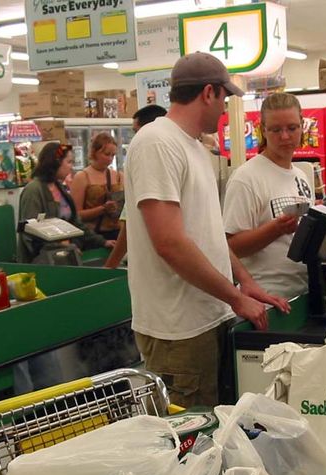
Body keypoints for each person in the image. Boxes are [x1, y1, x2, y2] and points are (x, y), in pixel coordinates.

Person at [124, 52, 290, 407]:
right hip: (178, 331)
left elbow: (208, 233)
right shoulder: (157, 143)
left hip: (209, 317)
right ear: (209, 93)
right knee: (188, 444)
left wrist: (245, 281)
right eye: (225, 98)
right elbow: (169, 243)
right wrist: (235, 297)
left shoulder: (195, 147)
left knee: (214, 431)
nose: (225, 109)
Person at [223, 92, 313, 298]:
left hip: (302, 293)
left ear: (302, 125)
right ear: (263, 130)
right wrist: (275, 229)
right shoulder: (246, 178)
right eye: (275, 130)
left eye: (292, 128)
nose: (284, 136)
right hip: (266, 299)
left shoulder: (300, 176)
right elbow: (230, 248)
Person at [17, 142, 114, 262]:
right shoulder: (33, 190)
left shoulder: (59, 188)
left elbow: (76, 224)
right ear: (55, 163)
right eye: (69, 162)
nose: (71, 167)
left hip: (65, 258)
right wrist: (61, 248)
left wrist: (102, 242)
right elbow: (30, 232)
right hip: (42, 263)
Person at [104, 105, 168, 269]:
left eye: (135, 131)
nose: (134, 139)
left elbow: (128, 227)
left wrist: (110, 266)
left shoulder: (147, 166)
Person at [69, 132, 124, 241]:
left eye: (113, 155)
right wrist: (102, 209)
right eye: (107, 154)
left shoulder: (118, 176)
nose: (110, 159)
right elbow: (76, 215)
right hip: (93, 236)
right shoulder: (82, 177)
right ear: (95, 152)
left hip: (117, 232)